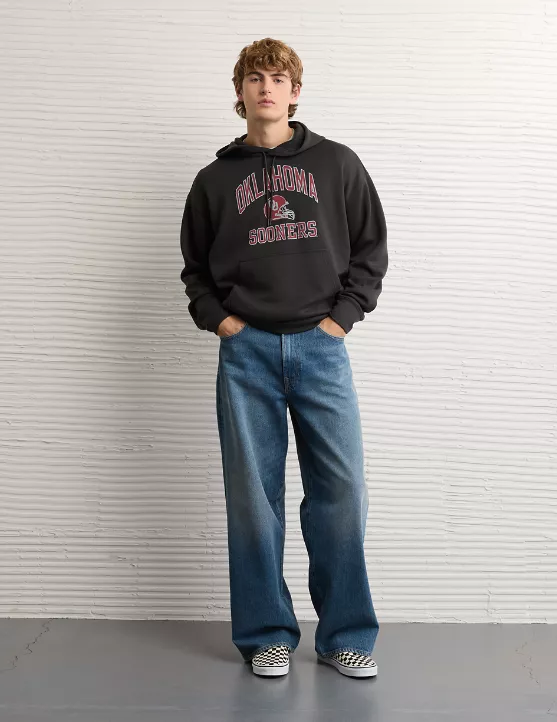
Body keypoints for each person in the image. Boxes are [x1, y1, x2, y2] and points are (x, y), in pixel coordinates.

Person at [180, 37, 388, 678]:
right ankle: (267, 634)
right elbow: (195, 270)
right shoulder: (214, 180)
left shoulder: (337, 163)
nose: (265, 87)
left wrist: (340, 320)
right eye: (254, 77)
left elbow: (370, 249)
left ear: (295, 91)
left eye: (277, 78)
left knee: (342, 494)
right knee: (253, 499)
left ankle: (345, 635)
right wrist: (223, 323)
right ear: (239, 91)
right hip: (247, 356)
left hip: (321, 349)